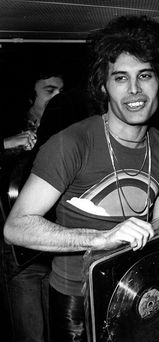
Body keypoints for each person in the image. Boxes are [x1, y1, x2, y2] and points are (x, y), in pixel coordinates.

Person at [4, 14, 159, 341]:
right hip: (76, 297)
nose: (134, 89)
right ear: (103, 86)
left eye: (145, 75)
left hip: (135, 293)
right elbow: (16, 227)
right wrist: (100, 239)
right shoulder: (70, 144)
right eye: (120, 78)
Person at [0, 68, 64, 342]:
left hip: (54, 243)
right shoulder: (10, 125)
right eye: (49, 91)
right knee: (31, 331)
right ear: (30, 97)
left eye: (61, 92)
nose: (57, 98)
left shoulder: (63, 131)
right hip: (19, 250)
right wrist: (7, 143)